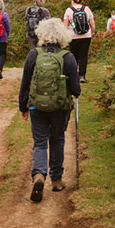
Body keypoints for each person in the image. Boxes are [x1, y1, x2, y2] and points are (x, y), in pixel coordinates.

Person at [19, 18, 80, 202]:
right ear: (63, 36)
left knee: (39, 142)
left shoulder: (33, 55)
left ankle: (38, 174)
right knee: (57, 139)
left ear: (41, 34)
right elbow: (76, 89)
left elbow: (25, 83)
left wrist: (23, 106)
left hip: (37, 106)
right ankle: (56, 180)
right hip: (60, 107)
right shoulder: (67, 57)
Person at [62, 0, 96, 83]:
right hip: (86, 36)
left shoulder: (69, 10)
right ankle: (82, 76)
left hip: (73, 37)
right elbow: (92, 23)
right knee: (83, 56)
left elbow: (65, 25)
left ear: (72, 1)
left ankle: (73, 76)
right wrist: (92, 32)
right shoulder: (86, 9)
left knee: (73, 56)